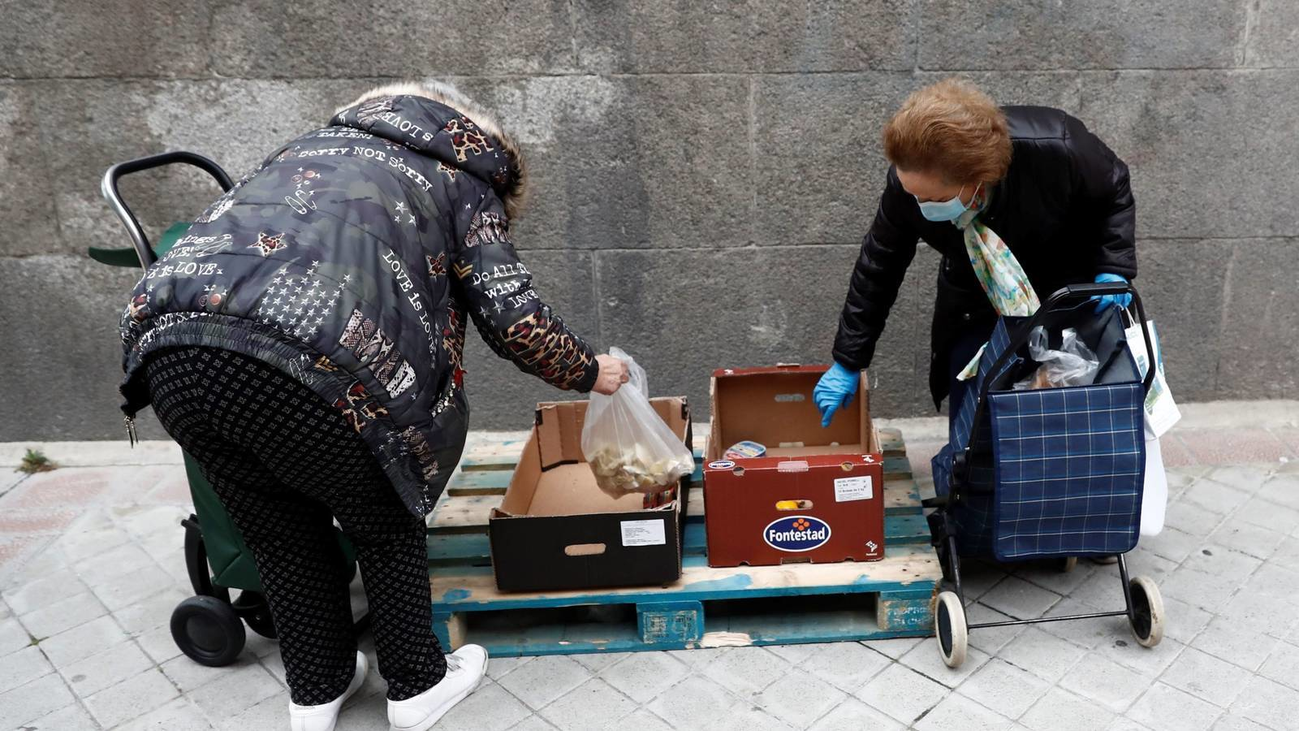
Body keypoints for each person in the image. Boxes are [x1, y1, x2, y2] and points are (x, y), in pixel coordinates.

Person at [118, 81, 629, 731]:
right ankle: (416, 682)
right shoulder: (466, 178)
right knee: (383, 520)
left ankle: (317, 688)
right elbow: (512, 317)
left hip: (168, 352)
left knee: (278, 531)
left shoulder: (315, 145)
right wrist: (589, 367)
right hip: (310, 358)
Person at [814, 78, 1136, 427]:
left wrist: (1113, 266)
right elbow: (880, 264)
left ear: (978, 179)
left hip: (1062, 290)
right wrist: (848, 360)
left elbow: (1114, 188)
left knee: (1060, 426)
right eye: (913, 195)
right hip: (973, 297)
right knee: (974, 429)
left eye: (934, 200)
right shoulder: (909, 184)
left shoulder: (1057, 148)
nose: (920, 207)